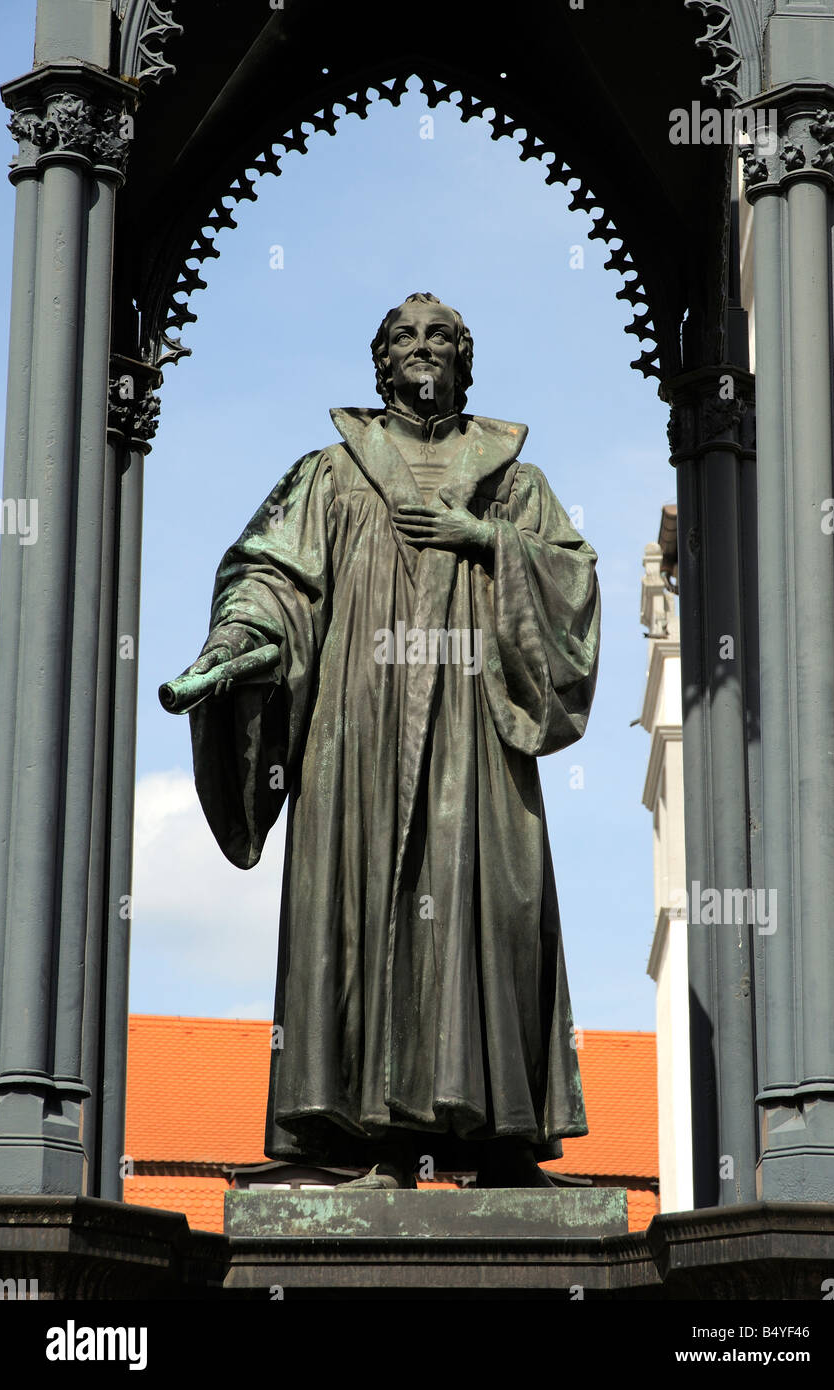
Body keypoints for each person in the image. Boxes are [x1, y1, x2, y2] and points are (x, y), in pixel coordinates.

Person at [179, 292, 600, 1187]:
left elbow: (572, 586)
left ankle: (493, 1137)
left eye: (440, 335)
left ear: (463, 357)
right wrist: (237, 641)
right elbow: (270, 576)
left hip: (476, 730)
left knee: (493, 902)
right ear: (380, 362)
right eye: (404, 337)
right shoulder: (331, 475)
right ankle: (340, 1137)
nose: (423, 348)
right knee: (349, 895)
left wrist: (483, 538)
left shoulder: (517, 482)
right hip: (356, 724)